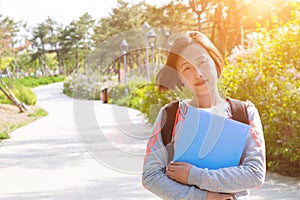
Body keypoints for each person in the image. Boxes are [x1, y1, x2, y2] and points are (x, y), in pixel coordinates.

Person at [142, 31, 266, 200]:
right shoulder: (170, 115)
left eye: (202, 62)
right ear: (179, 76)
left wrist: (194, 176)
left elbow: (255, 174)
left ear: (215, 61)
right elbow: (151, 176)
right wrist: (205, 196)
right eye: (187, 68)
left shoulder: (243, 113)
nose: (197, 73)